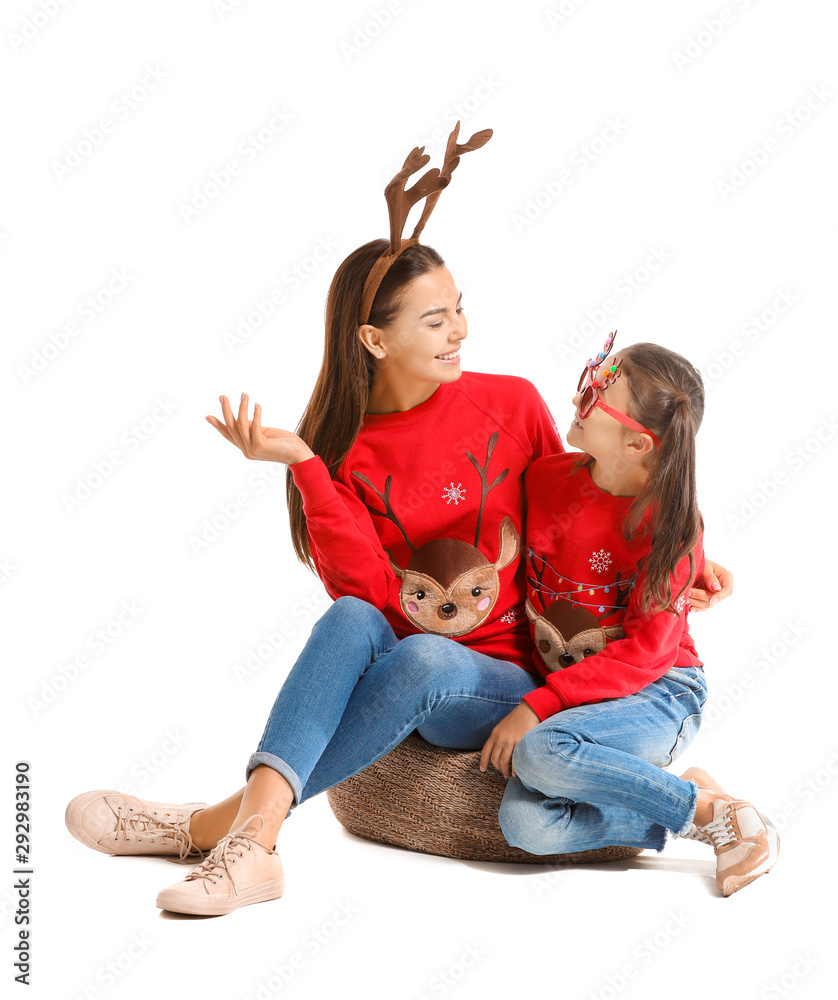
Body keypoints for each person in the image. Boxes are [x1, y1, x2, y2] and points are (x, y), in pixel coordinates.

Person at [64, 126, 733, 916]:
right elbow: (372, 598)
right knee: (355, 620)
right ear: (375, 339)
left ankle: (222, 828)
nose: (462, 331)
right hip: (432, 667)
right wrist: (306, 465)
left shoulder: (511, 402)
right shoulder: (344, 452)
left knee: (423, 665)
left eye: (460, 310)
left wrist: (686, 553)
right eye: (436, 320)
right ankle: (249, 844)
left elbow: (593, 495)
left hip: (514, 672)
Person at [481, 334, 777, 896]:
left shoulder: (671, 530)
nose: (578, 397)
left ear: (638, 442)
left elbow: (647, 653)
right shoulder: (544, 479)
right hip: (584, 693)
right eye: (590, 375)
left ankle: (724, 821)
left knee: (541, 751)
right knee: (523, 824)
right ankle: (698, 806)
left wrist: (537, 704)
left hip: (660, 692)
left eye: (596, 392)